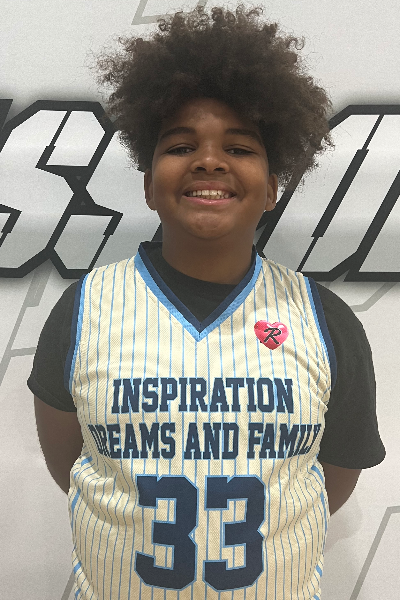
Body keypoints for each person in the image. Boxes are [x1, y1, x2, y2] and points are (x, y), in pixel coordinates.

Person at [28, 4, 386, 599]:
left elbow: (332, 480)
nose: (210, 160)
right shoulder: (85, 309)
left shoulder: (325, 321)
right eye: (180, 145)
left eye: (240, 148)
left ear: (273, 188)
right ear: (149, 183)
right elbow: (73, 466)